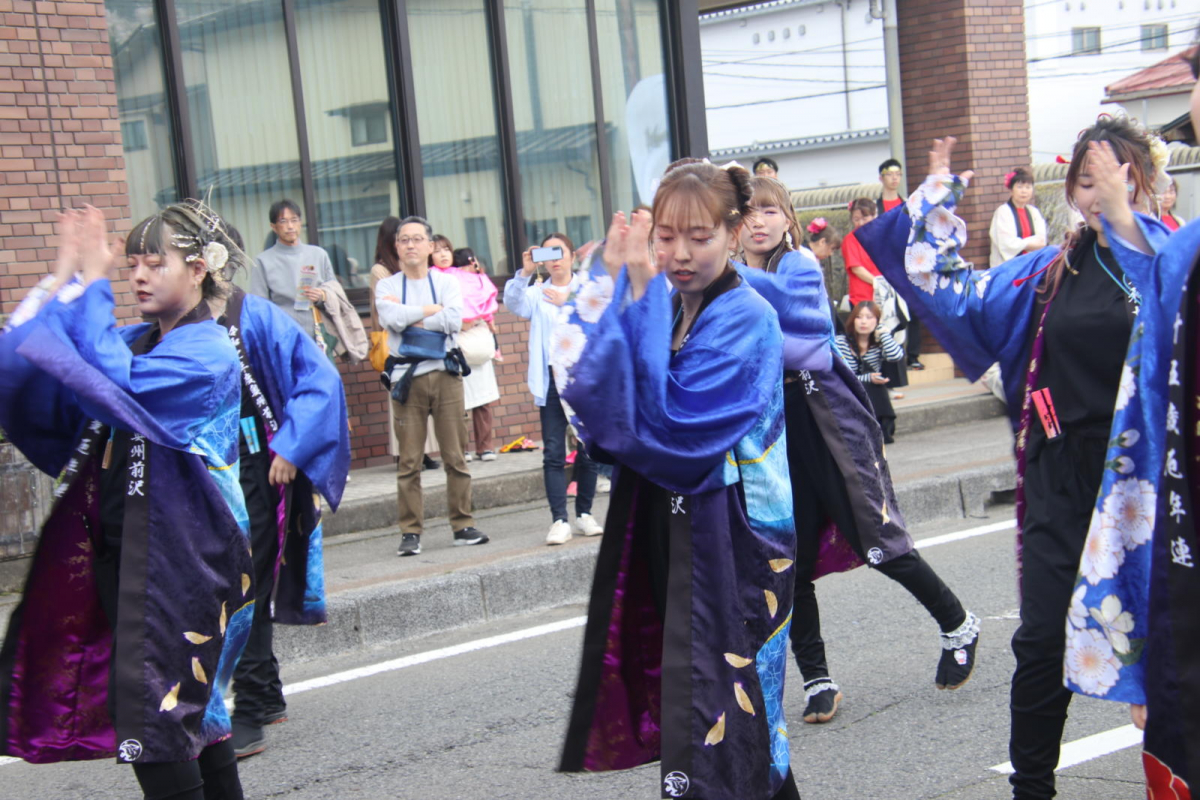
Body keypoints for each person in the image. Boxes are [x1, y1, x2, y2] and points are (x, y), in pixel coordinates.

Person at [856, 120, 1167, 800]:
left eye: (1115, 177)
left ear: (1144, 181)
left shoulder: (1169, 260)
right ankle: (1031, 788)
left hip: (1146, 484)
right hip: (1062, 474)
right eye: (1086, 181)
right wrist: (934, 201)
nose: (1100, 193)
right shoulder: (1048, 272)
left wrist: (1132, 230)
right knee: (1043, 637)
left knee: (1168, 642)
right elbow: (948, 286)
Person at [556, 160, 801, 799]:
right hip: (673, 518)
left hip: (734, 535)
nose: (680, 254)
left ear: (733, 233)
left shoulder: (746, 315)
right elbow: (589, 386)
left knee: (725, 711)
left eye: (699, 236)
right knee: (715, 709)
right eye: (666, 237)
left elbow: (675, 426)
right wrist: (615, 281)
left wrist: (635, 294)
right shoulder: (667, 305)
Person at [0, 203, 251, 799]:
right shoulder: (137, 341)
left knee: (153, 710)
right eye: (131, 263)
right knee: (190, 709)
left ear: (199, 270)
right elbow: (26, 355)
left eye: (154, 263)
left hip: (187, 555)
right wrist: (66, 275)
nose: (137, 276)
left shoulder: (207, 351)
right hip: (134, 546)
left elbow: (117, 381)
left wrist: (92, 285)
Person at [735, 176, 977, 727]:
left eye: (769, 210)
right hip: (768, 434)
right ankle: (817, 678)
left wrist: (726, 283)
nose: (758, 221)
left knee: (875, 537)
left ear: (788, 219)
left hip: (824, 425)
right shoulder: (727, 277)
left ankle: (957, 623)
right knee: (785, 559)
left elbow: (809, 346)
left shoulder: (797, 266)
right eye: (747, 212)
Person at [210, 224, 351, 759]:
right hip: (207, 471)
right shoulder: (173, 325)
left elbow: (320, 380)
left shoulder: (255, 316)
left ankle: (248, 708)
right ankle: (265, 694)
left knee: (242, 584)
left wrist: (291, 447)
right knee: (235, 583)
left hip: (255, 467)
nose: (144, 275)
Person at [376, 216, 488, 556]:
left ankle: (463, 525)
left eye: (417, 239)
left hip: (445, 373)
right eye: (404, 240)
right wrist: (430, 311)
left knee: (456, 455)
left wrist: (410, 317)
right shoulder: (386, 285)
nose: (410, 245)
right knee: (409, 461)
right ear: (396, 247)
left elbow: (453, 320)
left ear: (429, 245)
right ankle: (410, 532)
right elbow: (390, 319)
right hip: (406, 378)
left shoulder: (447, 282)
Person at [504, 233, 603, 545]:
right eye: (548, 254)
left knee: (587, 447)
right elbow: (513, 303)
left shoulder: (586, 288)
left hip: (581, 376)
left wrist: (568, 303)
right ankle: (559, 519)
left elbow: (601, 321)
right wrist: (523, 272)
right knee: (553, 450)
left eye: (560, 252)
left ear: (572, 256)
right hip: (550, 378)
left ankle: (584, 513)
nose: (555, 260)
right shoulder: (536, 292)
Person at [435, 242, 500, 462]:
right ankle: (461, 448)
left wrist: (483, 319)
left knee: (483, 398)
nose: (442, 254)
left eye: (445, 250)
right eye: (437, 251)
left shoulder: (471, 278)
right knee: (458, 400)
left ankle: (485, 446)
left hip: (477, 341)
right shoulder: (435, 279)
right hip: (455, 341)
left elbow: (486, 302)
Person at [249, 199, 336, 338]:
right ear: (273, 227)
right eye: (283, 221)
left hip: (321, 332)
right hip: (284, 335)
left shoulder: (319, 254)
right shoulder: (262, 261)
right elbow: (260, 307)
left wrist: (321, 296)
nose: (290, 226)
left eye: (294, 220)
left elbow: (335, 293)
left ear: (300, 222)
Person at [839, 302, 905, 442]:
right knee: (870, 383)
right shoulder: (841, 342)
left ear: (877, 321)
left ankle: (881, 429)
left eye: (869, 317)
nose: (863, 322)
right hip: (845, 389)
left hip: (870, 393)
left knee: (876, 385)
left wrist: (884, 334)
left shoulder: (878, 343)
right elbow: (844, 377)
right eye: (859, 317)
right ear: (853, 320)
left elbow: (896, 356)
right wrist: (868, 378)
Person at [988, 167, 1048, 267]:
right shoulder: (1003, 212)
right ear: (1011, 190)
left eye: (1028, 187)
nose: (1024, 191)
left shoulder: (1034, 212)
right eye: (1020, 187)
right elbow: (1007, 244)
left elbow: (1041, 241)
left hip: (1031, 265)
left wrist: (1021, 244)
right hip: (1009, 268)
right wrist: (1030, 243)